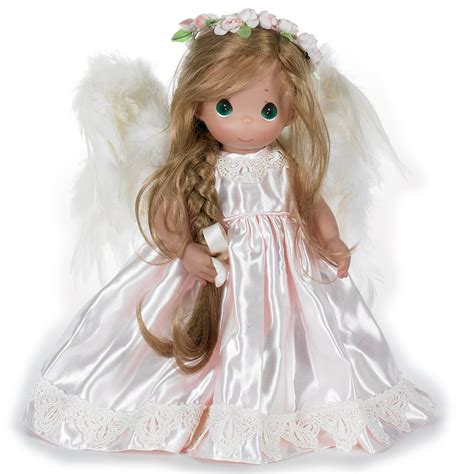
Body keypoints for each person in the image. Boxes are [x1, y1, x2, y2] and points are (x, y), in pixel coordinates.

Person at [22, 8, 437, 465]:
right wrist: (185, 251)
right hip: (215, 277)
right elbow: (165, 220)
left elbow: (314, 207)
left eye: (266, 110)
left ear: (291, 111)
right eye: (226, 107)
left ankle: (291, 401)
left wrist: (332, 241)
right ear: (197, 105)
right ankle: (201, 405)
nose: (245, 124)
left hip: (286, 279)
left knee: (299, 337)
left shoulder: (286, 166)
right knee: (213, 339)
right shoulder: (195, 170)